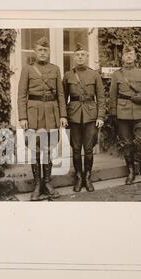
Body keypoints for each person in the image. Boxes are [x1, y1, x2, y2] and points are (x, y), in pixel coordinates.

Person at [17, 36, 68, 201]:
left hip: (51, 113)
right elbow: (21, 95)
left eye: (45, 50)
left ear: (49, 52)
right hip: (33, 114)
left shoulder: (55, 69)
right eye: (40, 50)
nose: (43, 53)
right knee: (35, 150)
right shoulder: (27, 69)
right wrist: (23, 117)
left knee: (49, 149)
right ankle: (37, 184)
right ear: (35, 51)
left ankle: (47, 182)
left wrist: (63, 115)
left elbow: (60, 94)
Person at [109, 45, 141, 187]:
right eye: (126, 54)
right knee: (127, 144)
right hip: (122, 114)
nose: (129, 56)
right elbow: (112, 96)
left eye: (131, 54)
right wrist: (113, 114)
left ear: (135, 56)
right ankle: (131, 172)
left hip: (140, 112)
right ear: (122, 57)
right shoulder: (117, 75)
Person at [63, 43, 106, 192]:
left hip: (91, 116)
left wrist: (100, 116)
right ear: (74, 57)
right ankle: (79, 177)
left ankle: (87, 177)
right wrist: (64, 116)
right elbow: (63, 97)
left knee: (88, 149)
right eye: (77, 55)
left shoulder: (94, 75)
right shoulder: (68, 75)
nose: (80, 57)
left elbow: (101, 97)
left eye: (83, 54)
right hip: (73, 116)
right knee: (75, 149)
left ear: (87, 57)